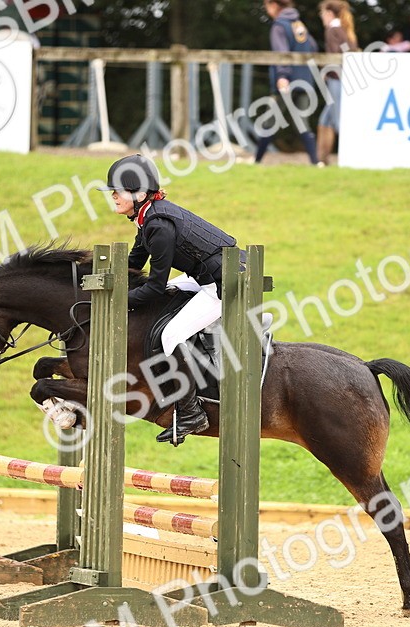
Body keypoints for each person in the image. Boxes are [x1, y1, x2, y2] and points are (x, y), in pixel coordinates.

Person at [99, 154, 237, 446]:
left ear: (139, 193)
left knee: (170, 334)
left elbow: (153, 287)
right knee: (172, 294)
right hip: (206, 276)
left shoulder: (158, 225)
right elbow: (134, 266)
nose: (113, 194)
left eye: (118, 189)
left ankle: (190, 412)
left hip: (224, 284)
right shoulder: (148, 218)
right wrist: (100, 285)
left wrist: (115, 302)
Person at [255, 0, 320, 166]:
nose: (266, 9)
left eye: (267, 6)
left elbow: (281, 53)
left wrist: (282, 75)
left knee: (270, 122)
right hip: (305, 81)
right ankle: (315, 162)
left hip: (287, 82)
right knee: (303, 124)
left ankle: (256, 162)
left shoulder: (279, 26)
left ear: (275, 5)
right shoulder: (300, 25)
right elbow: (312, 47)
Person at [317, 0, 356, 166]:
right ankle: (322, 160)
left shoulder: (332, 30)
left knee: (338, 120)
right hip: (345, 78)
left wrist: (326, 71)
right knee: (325, 120)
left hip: (336, 79)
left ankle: (350, 157)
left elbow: (334, 56)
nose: (321, 17)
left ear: (329, 13)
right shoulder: (345, 30)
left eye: (322, 13)